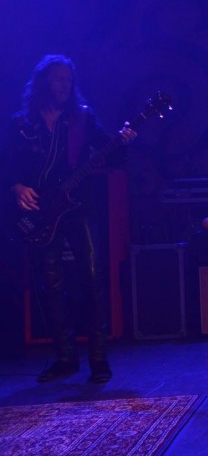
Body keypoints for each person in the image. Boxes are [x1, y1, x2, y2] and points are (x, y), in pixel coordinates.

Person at [1, 55, 136, 383]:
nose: (64, 84)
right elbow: (7, 163)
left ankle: (99, 359)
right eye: (58, 79)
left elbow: (110, 154)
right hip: (39, 211)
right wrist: (16, 186)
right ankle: (65, 357)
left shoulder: (82, 119)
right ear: (43, 82)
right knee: (49, 284)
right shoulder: (21, 123)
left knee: (92, 278)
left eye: (68, 79)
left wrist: (124, 141)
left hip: (78, 208)